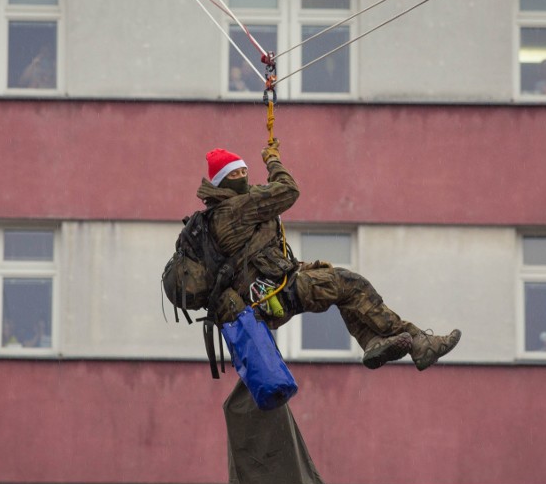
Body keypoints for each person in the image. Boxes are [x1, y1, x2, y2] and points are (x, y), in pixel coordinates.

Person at [197, 144, 461, 371]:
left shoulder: (218, 214)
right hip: (270, 297)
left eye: (244, 171)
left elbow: (257, 256)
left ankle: (372, 342)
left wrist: (303, 267)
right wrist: (273, 161)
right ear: (222, 181)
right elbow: (289, 190)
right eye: (235, 174)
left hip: (263, 295)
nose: (243, 177)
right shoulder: (236, 207)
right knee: (350, 282)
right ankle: (419, 343)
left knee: (341, 289)